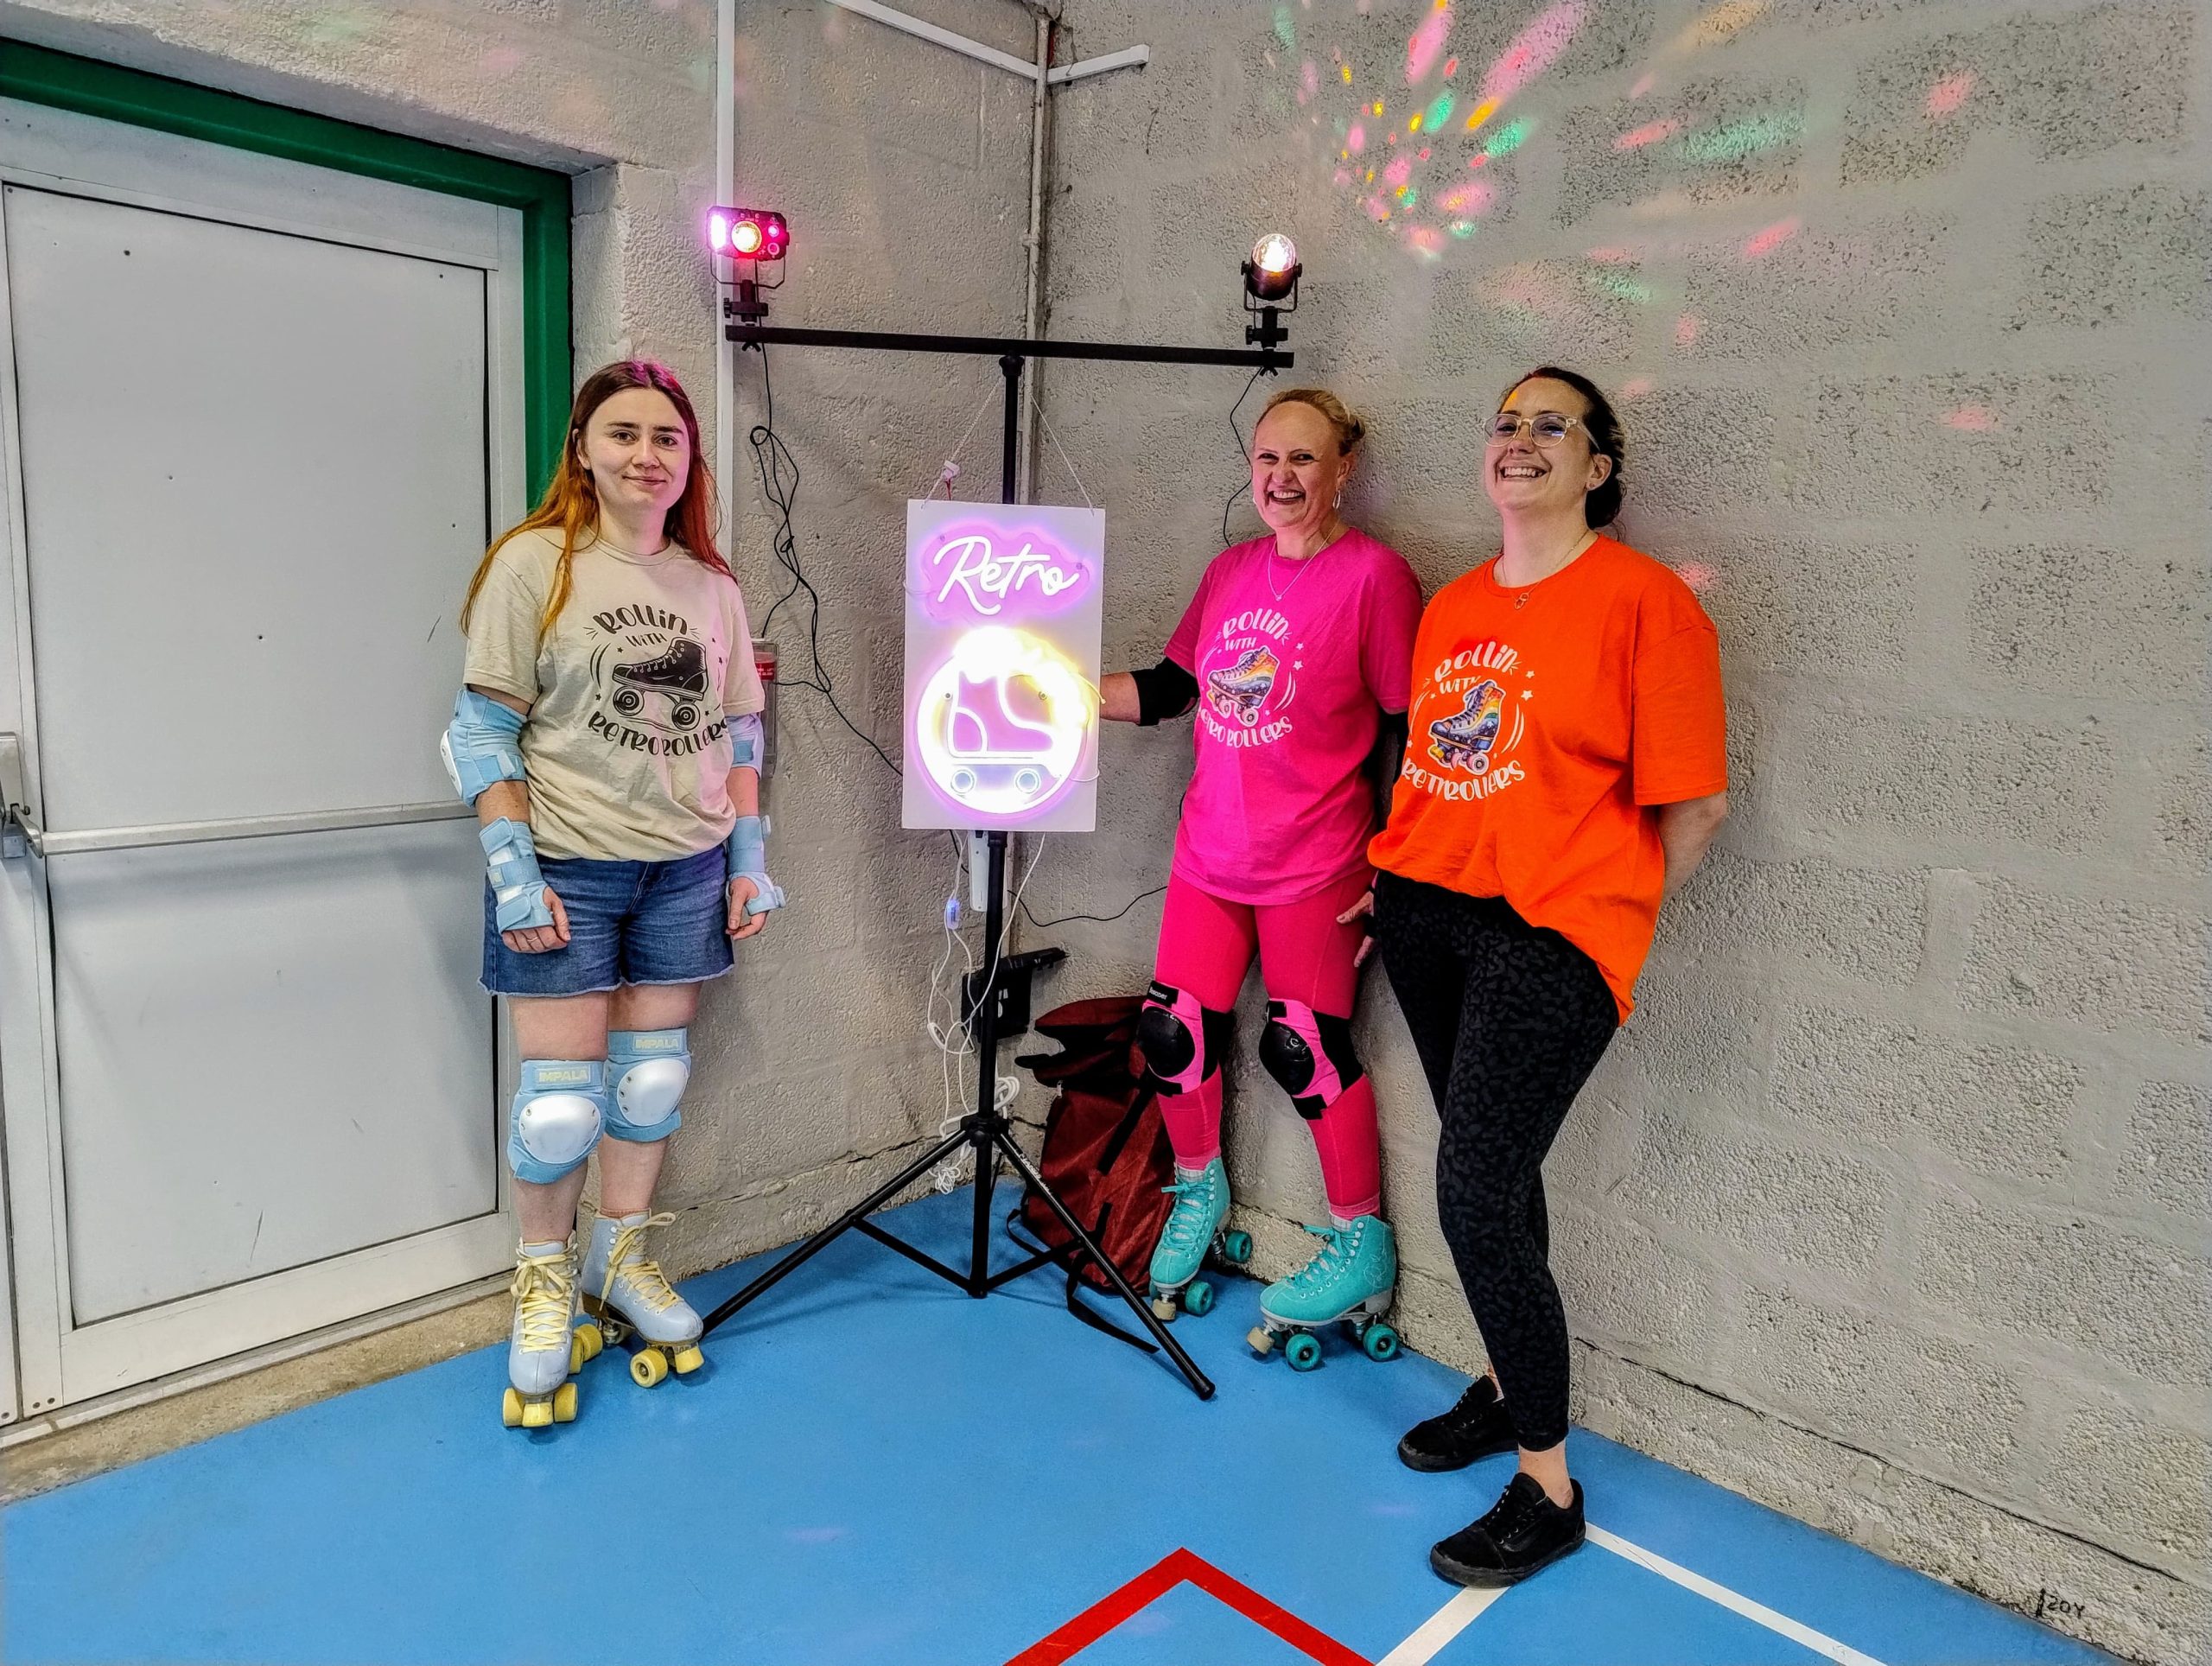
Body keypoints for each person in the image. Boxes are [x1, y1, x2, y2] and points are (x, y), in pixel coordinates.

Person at [1363, 366, 1729, 1580]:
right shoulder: (1456, 604)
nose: (1520, 439)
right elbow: (1437, 762)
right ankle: (1505, 1380)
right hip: (1426, 912)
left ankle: (1549, 1486)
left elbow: (1695, 806)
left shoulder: (1645, 601)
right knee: (1499, 1176)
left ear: (1597, 466)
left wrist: (1599, 911)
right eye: (1506, 422)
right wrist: (1395, 875)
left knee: (1471, 1192)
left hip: (1549, 935)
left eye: (1550, 426)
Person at [442, 360, 784, 1428]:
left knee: (649, 1085)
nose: (647, 454)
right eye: (624, 434)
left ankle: (619, 1258)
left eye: (667, 438)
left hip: (685, 867)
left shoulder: (711, 585)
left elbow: (739, 734)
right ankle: (544, 1279)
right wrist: (512, 872)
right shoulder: (535, 565)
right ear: (583, 449)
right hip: (568, 866)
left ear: (689, 459)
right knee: (559, 1107)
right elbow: (481, 729)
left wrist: (748, 857)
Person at [1097, 387, 1421, 1359]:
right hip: (1211, 852)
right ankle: (1199, 1191)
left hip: (1317, 859)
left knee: (1303, 1047)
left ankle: (1360, 1241)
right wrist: (1064, 693)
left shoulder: (1375, 578)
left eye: (1304, 459)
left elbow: (1412, 731)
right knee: (1171, 1030)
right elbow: (1176, 687)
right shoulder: (1229, 570)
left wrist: (1398, 867)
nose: (1281, 477)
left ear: (1342, 470)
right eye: (1267, 458)